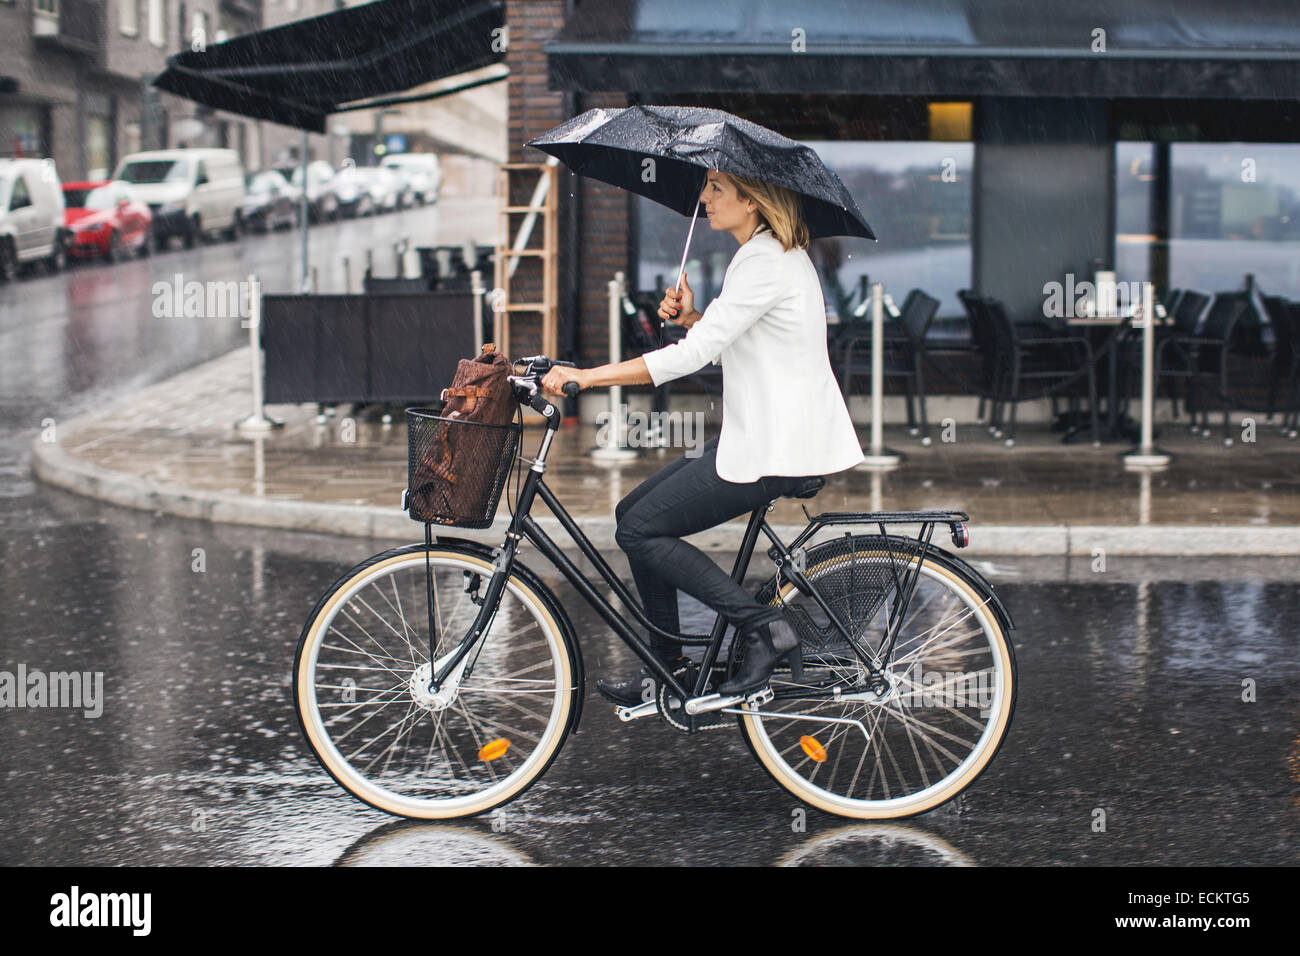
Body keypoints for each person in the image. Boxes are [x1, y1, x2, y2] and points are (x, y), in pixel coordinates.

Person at [541, 168, 863, 704]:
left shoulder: (765, 260)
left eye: (717, 187)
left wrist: (587, 376)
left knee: (642, 530)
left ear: (753, 200)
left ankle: (763, 627)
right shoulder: (764, 255)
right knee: (631, 516)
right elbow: (732, 339)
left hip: (774, 447)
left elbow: (693, 357)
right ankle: (667, 671)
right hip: (761, 437)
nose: (704, 196)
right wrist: (694, 316)